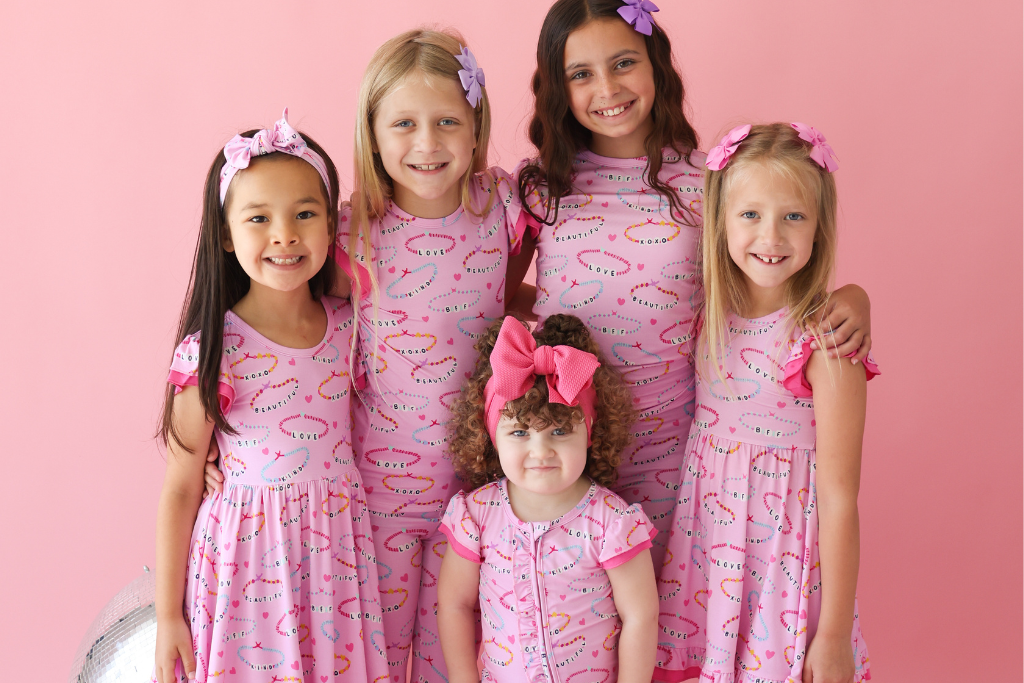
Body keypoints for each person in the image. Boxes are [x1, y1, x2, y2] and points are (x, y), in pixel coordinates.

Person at [509, 0, 873, 574]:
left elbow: (767, 280)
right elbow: (499, 297)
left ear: (656, 65)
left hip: (677, 451)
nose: (607, 87)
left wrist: (851, 297)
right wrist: (559, 309)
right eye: (581, 73)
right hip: (564, 437)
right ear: (559, 87)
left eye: (624, 62)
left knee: (666, 631)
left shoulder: (708, 180)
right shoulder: (541, 187)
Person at [153, 111, 388, 683]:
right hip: (246, 567)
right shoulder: (213, 348)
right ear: (228, 234)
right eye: (259, 218)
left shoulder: (353, 324)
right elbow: (182, 487)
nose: (284, 235)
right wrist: (167, 615)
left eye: (305, 214)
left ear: (332, 226)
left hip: (335, 558)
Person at [654, 123, 875, 683]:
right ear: (720, 221)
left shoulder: (825, 344)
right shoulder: (708, 318)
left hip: (783, 567)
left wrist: (830, 639)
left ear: (819, 227)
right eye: (750, 214)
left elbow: (842, 497)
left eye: (793, 216)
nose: (770, 236)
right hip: (707, 559)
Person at [438, 314, 658, 683]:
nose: (541, 452)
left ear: (589, 433)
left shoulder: (612, 522)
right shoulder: (475, 515)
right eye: (520, 432)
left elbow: (640, 616)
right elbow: (454, 605)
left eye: (559, 430)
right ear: (492, 436)